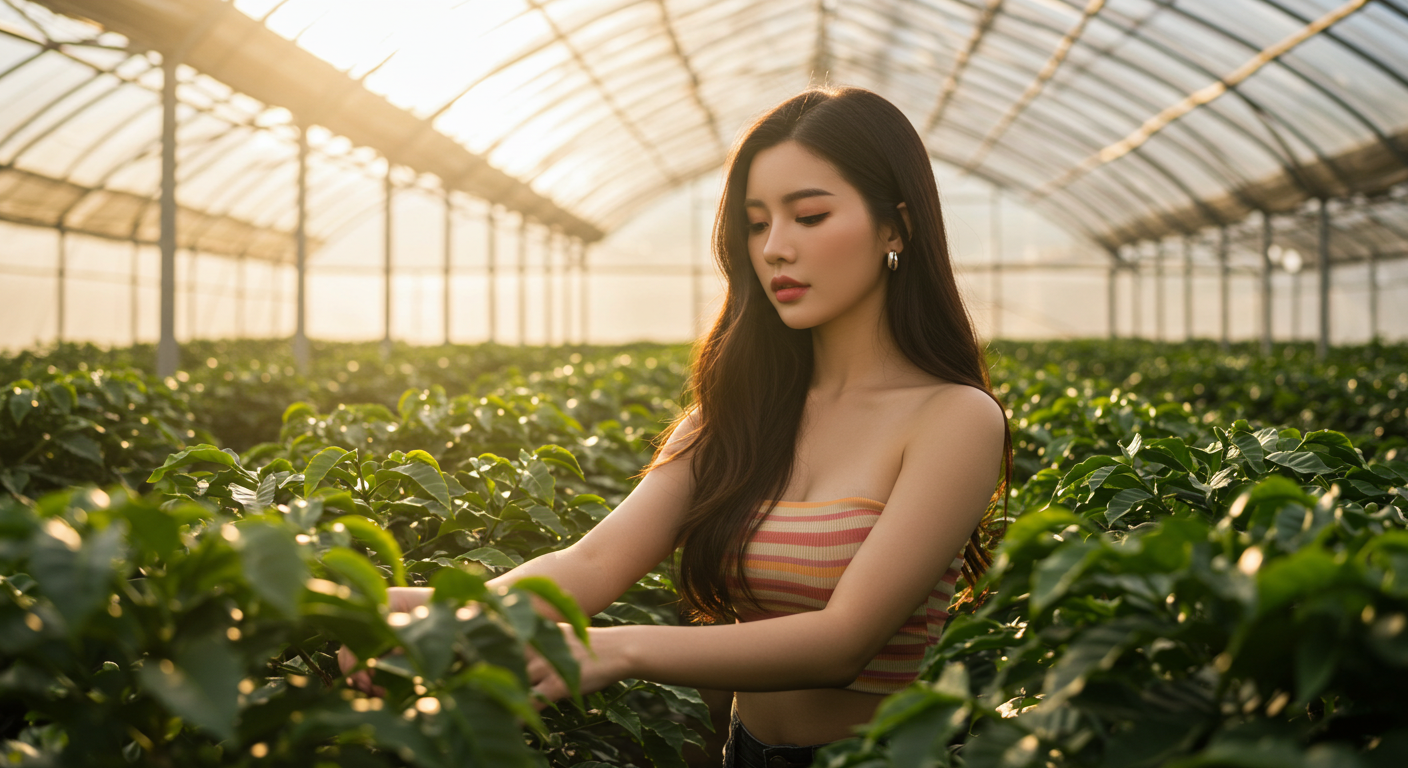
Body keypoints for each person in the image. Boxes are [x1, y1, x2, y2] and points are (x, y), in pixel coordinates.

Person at [340, 85, 1013, 768]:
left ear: (895, 227)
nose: (776, 247)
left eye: (808, 215)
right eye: (756, 224)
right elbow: (589, 565)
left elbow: (843, 642)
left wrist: (617, 647)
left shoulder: (954, 419)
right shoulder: (731, 420)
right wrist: (411, 607)